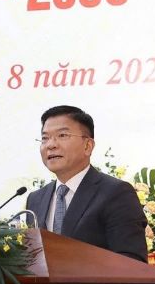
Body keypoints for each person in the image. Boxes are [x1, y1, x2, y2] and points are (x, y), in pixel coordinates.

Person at [26, 105, 147, 262]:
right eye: (45, 138)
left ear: (87, 146)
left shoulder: (116, 193)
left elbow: (132, 261)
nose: (51, 145)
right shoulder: (35, 199)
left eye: (62, 135)